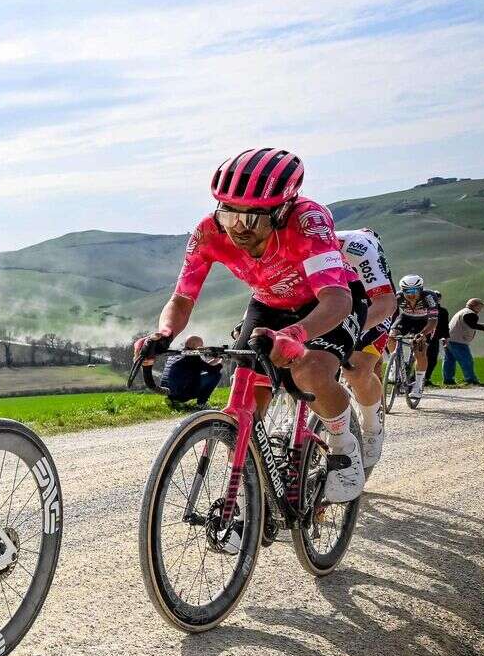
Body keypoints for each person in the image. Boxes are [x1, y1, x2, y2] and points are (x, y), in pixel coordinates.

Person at [137, 148, 368, 504]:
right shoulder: (208, 231)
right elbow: (183, 297)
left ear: (282, 211)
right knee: (245, 395)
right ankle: (244, 503)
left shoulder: (308, 221)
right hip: (269, 303)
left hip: (328, 301)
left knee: (309, 370)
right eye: (230, 215)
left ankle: (343, 445)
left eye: (254, 219)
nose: (240, 228)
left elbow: (337, 300)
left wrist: (295, 335)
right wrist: (163, 334)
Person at [336, 228, 397, 468]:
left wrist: (348, 333)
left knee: (356, 370)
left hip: (374, 303)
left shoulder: (356, 246)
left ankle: (372, 425)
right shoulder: (295, 249)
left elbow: (385, 304)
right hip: (333, 298)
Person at [393, 275, 440, 399]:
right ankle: (396, 364)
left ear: (420, 289)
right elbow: (389, 313)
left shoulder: (429, 297)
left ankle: (418, 385)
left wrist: (423, 334)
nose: (410, 294)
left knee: (420, 351)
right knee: (391, 336)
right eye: (407, 291)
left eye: (414, 291)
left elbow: (433, 321)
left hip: (425, 322)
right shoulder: (398, 297)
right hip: (406, 319)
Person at [444, 298, 484, 385]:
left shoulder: (463, 311)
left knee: (449, 360)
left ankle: (448, 380)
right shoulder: (471, 314)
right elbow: (472, 325)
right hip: (458, 341)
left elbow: (467, 323)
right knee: (466, 360)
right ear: (475, 306)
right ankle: (471, 380)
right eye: (481, 306)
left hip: (449, 339)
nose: (481, 309)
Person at [159, 335, 222, 407]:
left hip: (169, 392)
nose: (203, 347)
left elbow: (200, 366)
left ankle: (173, 400)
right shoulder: (192, 356)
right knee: (216, 375)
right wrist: (221, 362)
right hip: (182, 393)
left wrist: (214, 361)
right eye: (201, 345)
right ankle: (201, 404)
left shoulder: (177, 353)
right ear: (194, 345)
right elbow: (213, 370)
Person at [425, 293, 448, 387]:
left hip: (435, 338)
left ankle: (426, 378)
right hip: (423, 336)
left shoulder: (443, 311)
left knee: (433, 359)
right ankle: (413, 378)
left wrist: (445, 338)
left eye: (437, 298)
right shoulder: (423, 309)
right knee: (419, 357)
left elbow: (445, 326)